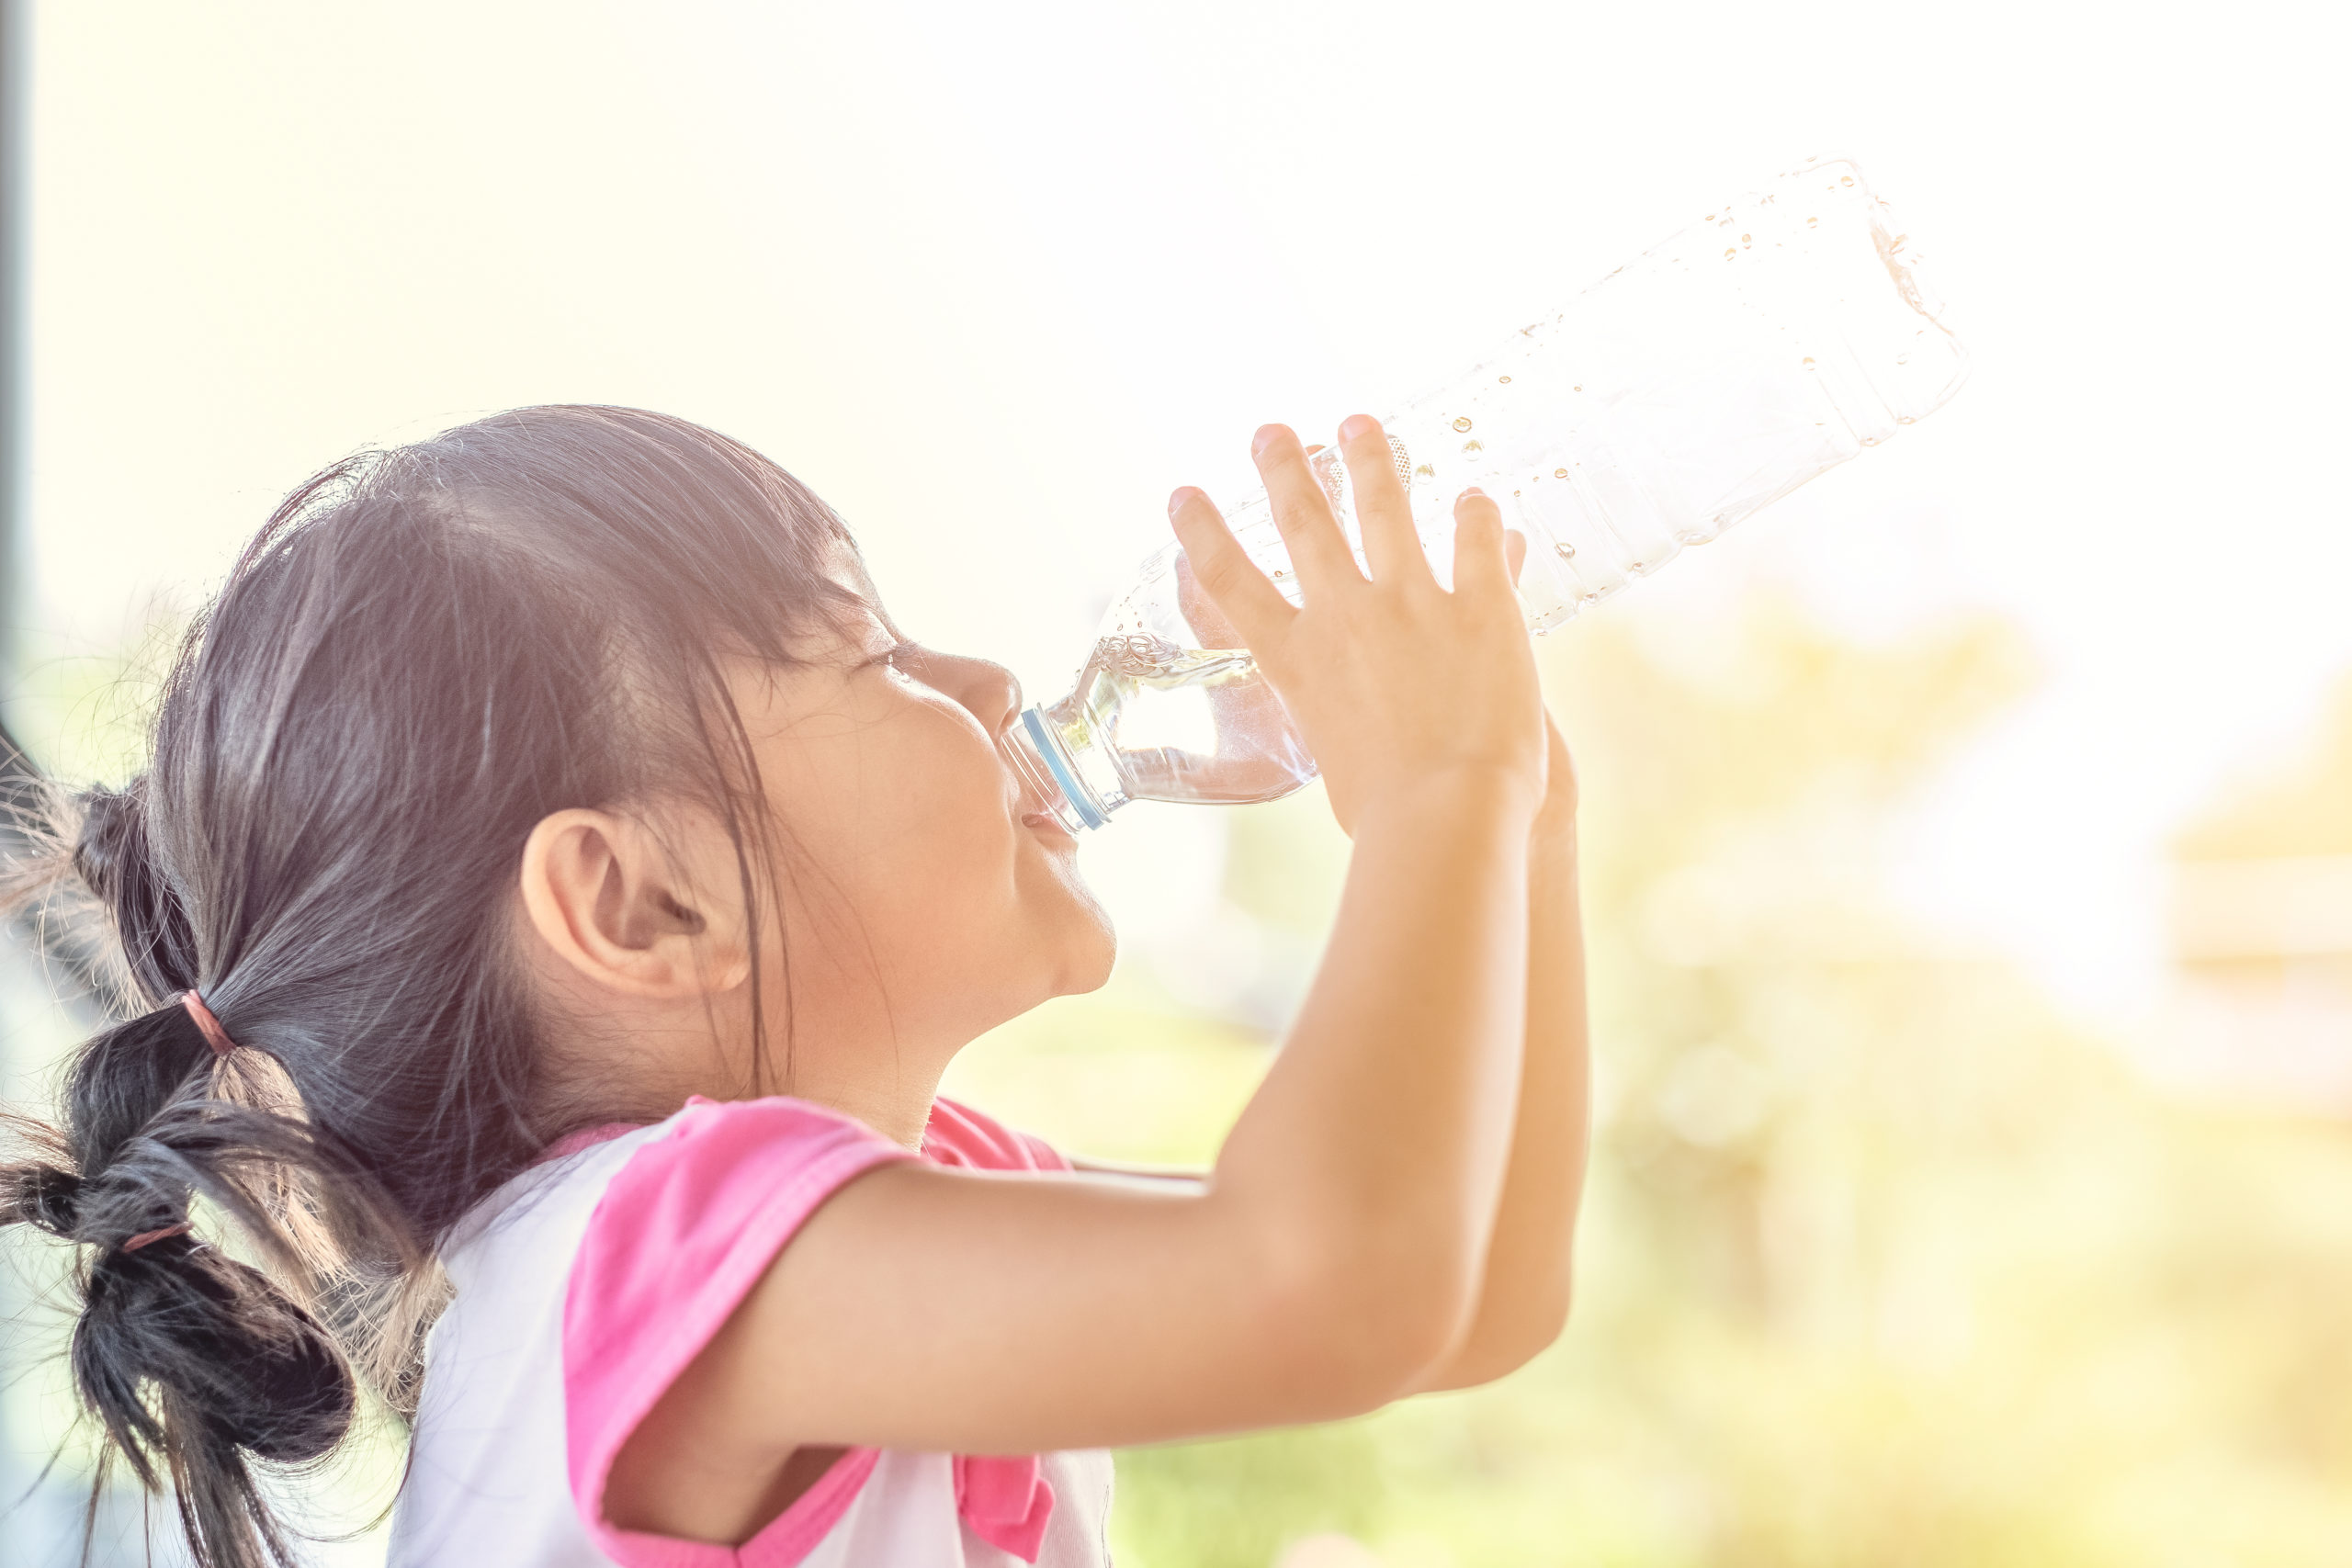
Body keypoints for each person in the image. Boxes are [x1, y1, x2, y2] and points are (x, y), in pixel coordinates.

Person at [0, 404, 1589, 1568]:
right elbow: (1337, 1284)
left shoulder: (840, 1218)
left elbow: (1474, 1301)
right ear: (643, 904)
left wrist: (1523, 832)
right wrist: (1441, 788)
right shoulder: (649, 1243)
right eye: (874, 654)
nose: (991, 682)